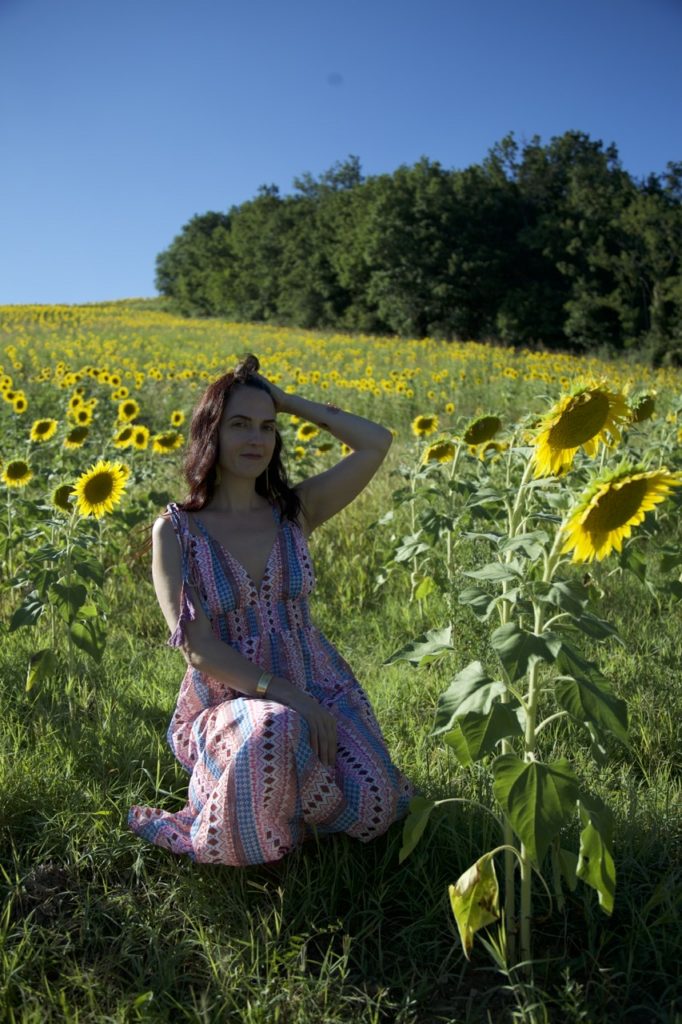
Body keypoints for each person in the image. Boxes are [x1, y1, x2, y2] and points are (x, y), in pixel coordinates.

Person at [128, 354, 413, 865]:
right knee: (272, 731)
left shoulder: (294, 513)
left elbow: (376, 442)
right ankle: (237, 810)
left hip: (318, 683)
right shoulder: (176, 531)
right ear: (210, 431)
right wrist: (284, 696)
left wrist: (284, 399)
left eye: (267, 427)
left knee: (377, 802)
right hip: (233, 702)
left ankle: (286, 808)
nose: (256, 439)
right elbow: (197, 647)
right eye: (240, 424)